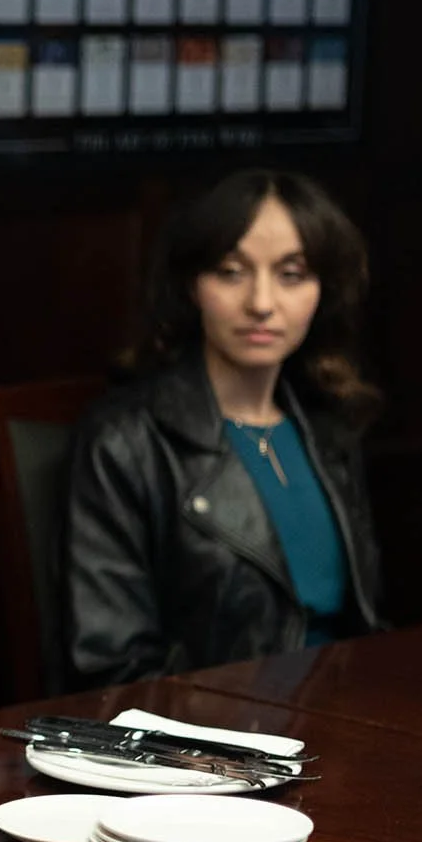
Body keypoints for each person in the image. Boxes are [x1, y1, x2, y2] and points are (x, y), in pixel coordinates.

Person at [59, 168, 386, 686]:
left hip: (341, 728)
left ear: (323, 290)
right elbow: (113, 668)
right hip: (210, 746)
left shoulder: (329, 429)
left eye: (291, 274)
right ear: (192, 285)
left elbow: (363, 631)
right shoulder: (125, 442)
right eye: (231, 272)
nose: (261, 303)